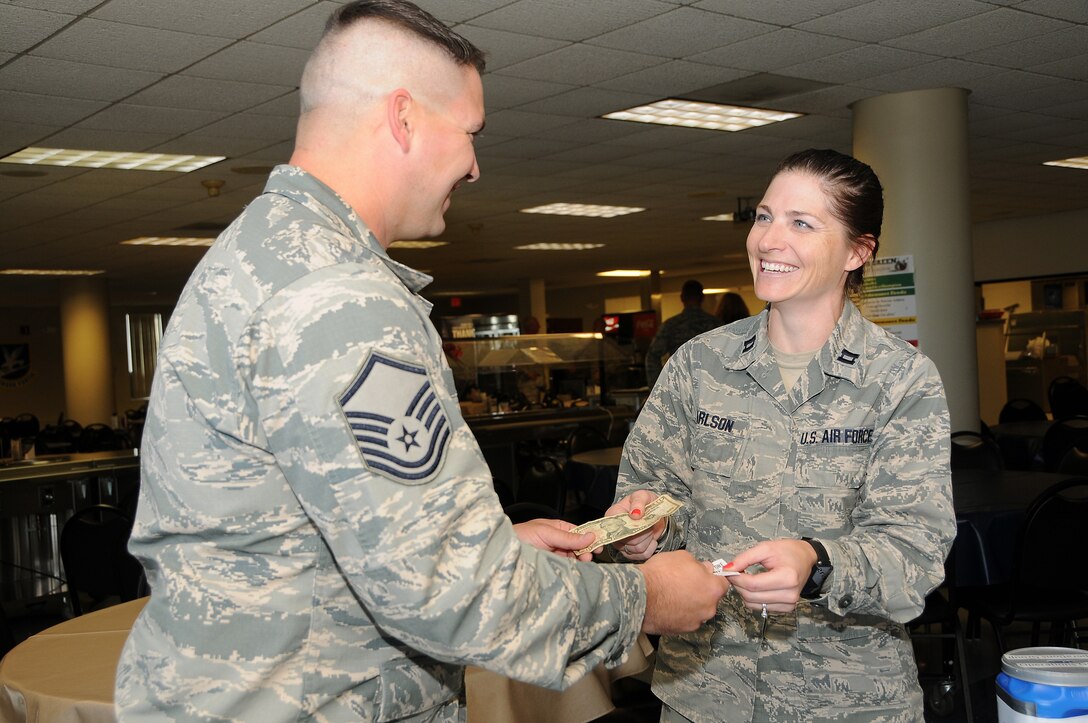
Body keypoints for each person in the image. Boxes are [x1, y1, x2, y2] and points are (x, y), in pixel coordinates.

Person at [114, 2, 730, 720]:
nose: (473, 166)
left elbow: (301, 540)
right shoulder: (338, 297)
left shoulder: (260, 252)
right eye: (469, 133)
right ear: (403, 118)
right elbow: (452, 590)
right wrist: (647, 597)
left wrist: (487, 543)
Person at [604, 149, 956, 722]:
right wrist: (647, 529)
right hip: (706, 690)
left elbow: (913, 553)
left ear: (857, 251)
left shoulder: (899, 380)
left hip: (848, 698)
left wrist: (815, 563)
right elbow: (651, 494)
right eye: (764, 216)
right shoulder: (698, 365)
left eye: (802, 223)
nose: (769, 240)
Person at [645, 279, 722, 386]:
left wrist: (658, 386)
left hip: (680, 385)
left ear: (682, 298)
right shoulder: (716, 325)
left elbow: (653, 356)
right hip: (710, 385)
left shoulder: (671, 325)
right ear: (702, 298)